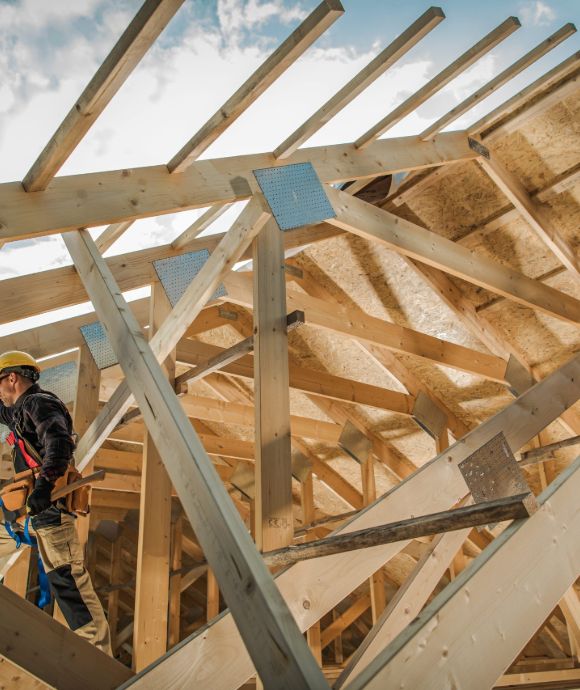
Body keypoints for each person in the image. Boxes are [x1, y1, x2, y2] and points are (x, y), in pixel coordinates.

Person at [0, 351, 111, 654]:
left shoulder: (40, 403)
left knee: (67, 583)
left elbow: (58, 443)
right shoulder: (19, 410)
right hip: (31, 515)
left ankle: (99, 658)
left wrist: (45, 485)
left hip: (50, 512)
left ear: (12, 378)